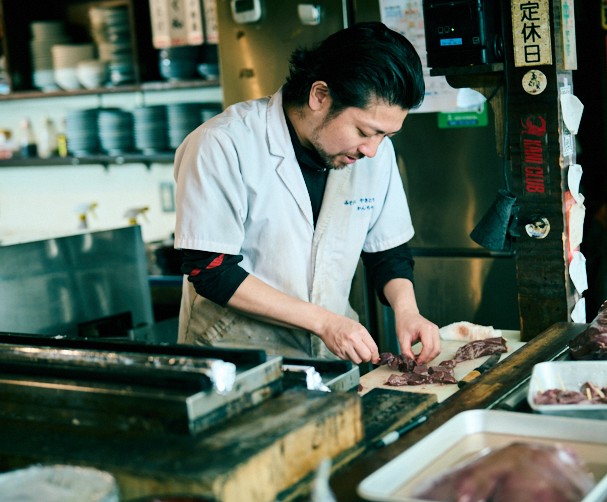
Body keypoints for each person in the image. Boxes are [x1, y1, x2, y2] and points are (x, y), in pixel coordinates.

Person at [173, 22, 441, 365]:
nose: (372, 149)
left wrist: (408, 311)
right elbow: (210, 269)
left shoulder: (374, 153)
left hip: (330, 357)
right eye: (364, 131)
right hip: (237, 359)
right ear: (319, 96)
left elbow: (386, 249)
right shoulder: (222, 144)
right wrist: (325, 322)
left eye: (385, 136)